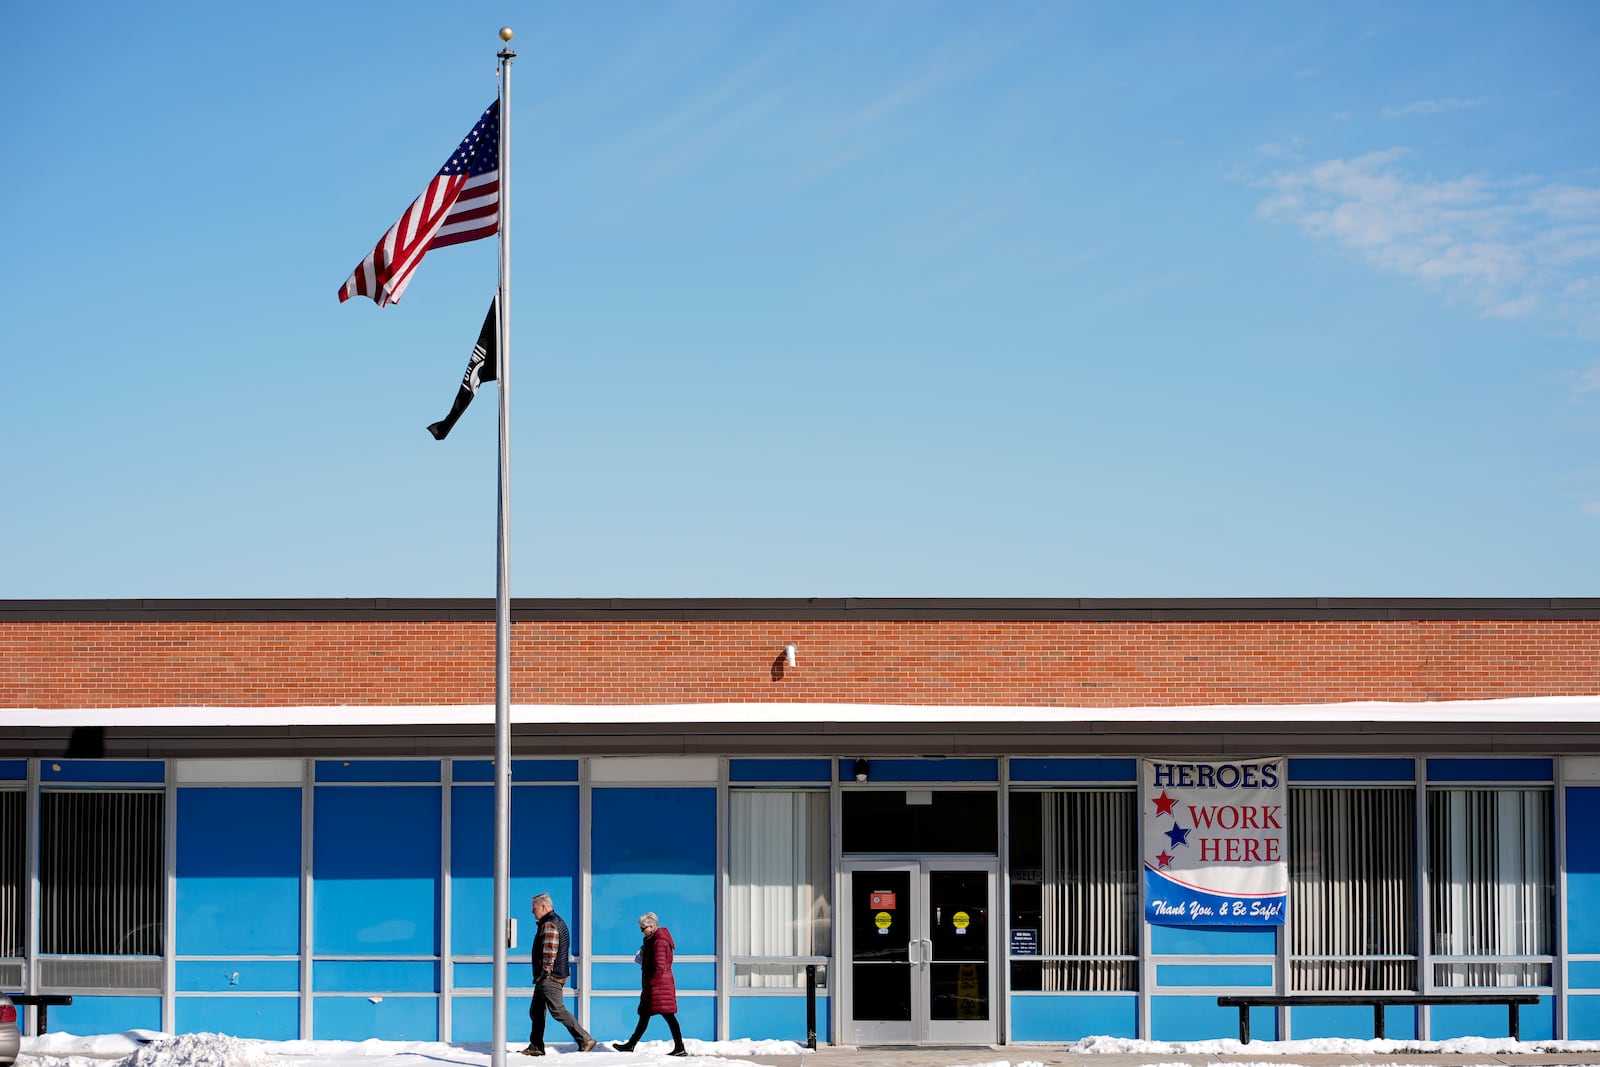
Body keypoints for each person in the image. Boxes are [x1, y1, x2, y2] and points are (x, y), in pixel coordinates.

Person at [521, 893, 597, 1056]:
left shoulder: (549, 924)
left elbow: (549, 952)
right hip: (549, 975)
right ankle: (536, 1046)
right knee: (536, 1010)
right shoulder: (555, 921)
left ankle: (585, 1039)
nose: (532, 912)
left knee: (557, 1010)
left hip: (549, 976)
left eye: (534, 908)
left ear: (543, 907)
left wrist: (545, 974)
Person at [611, 911, 687, 1056]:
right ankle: (631, 1044)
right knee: (645, 1014)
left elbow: (659, 966)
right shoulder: (652, 940)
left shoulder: (659, 942)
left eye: (643, 928)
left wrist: (651, 982)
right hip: (654, 985)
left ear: (651, 926)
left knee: (668, 1015)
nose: (641, 931)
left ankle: (680, 1048)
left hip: (658, 985)